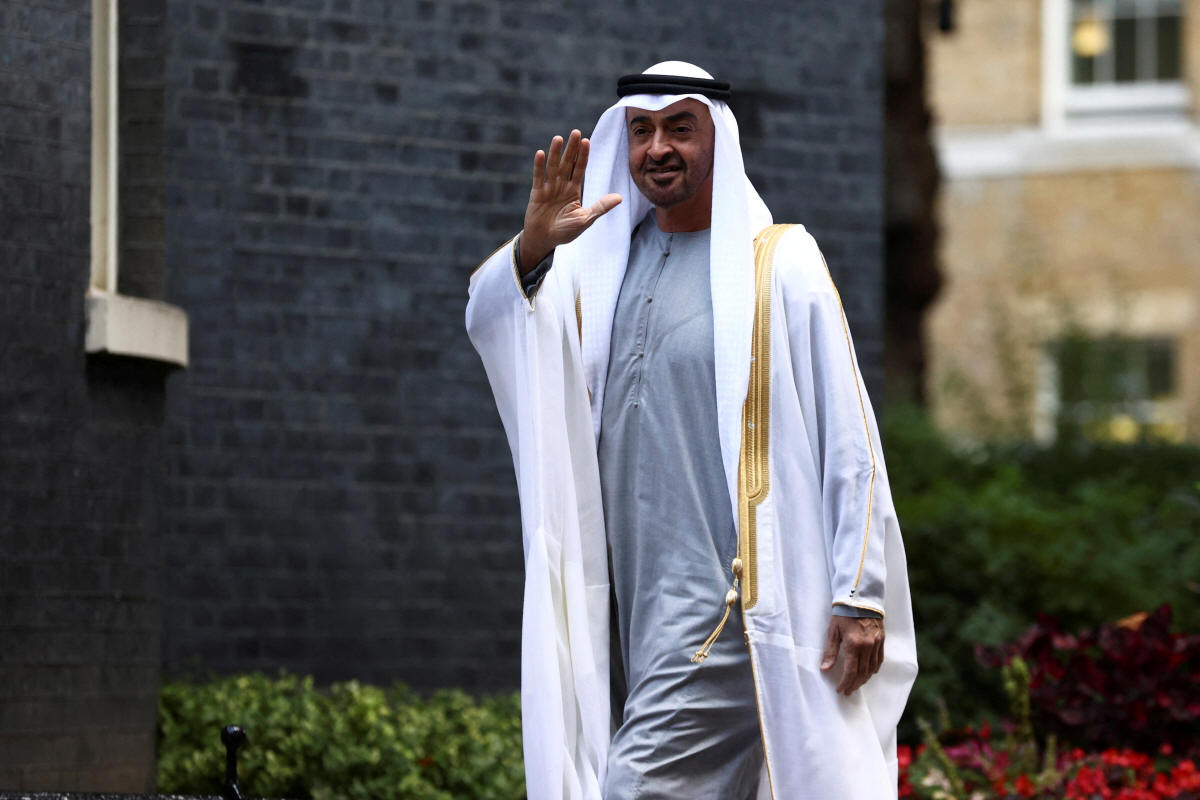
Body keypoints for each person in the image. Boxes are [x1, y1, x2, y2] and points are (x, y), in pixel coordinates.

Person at [465, 61, 917, 800]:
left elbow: (850, 435)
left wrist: (860, 594)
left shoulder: (779, 263)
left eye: (680, 128)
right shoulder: (598, 271)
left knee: (635, 786)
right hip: (633, 612)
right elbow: (493, 317)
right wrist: (533, 248)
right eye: (641, 131)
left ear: (718, 139)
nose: (658, 148)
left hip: (731, 612)